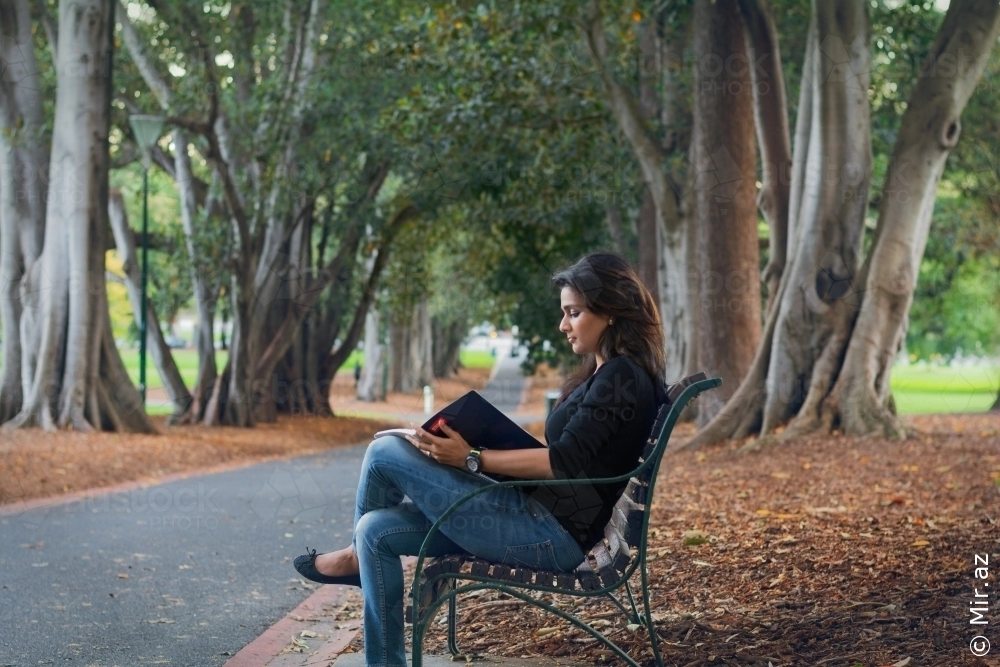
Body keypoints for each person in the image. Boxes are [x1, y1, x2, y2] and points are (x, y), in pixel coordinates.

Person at [293, 251, 667, 667]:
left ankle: (351, 562)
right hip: (534, 515)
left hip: (549, 535)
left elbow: (562, 463)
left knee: (383, 451)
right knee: (375, 530)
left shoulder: (621, 377)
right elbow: (570, 458)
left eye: (574, 313)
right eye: (564, 313)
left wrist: (472, 457)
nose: (563, 325)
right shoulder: (605, 373)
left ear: (610, 312)